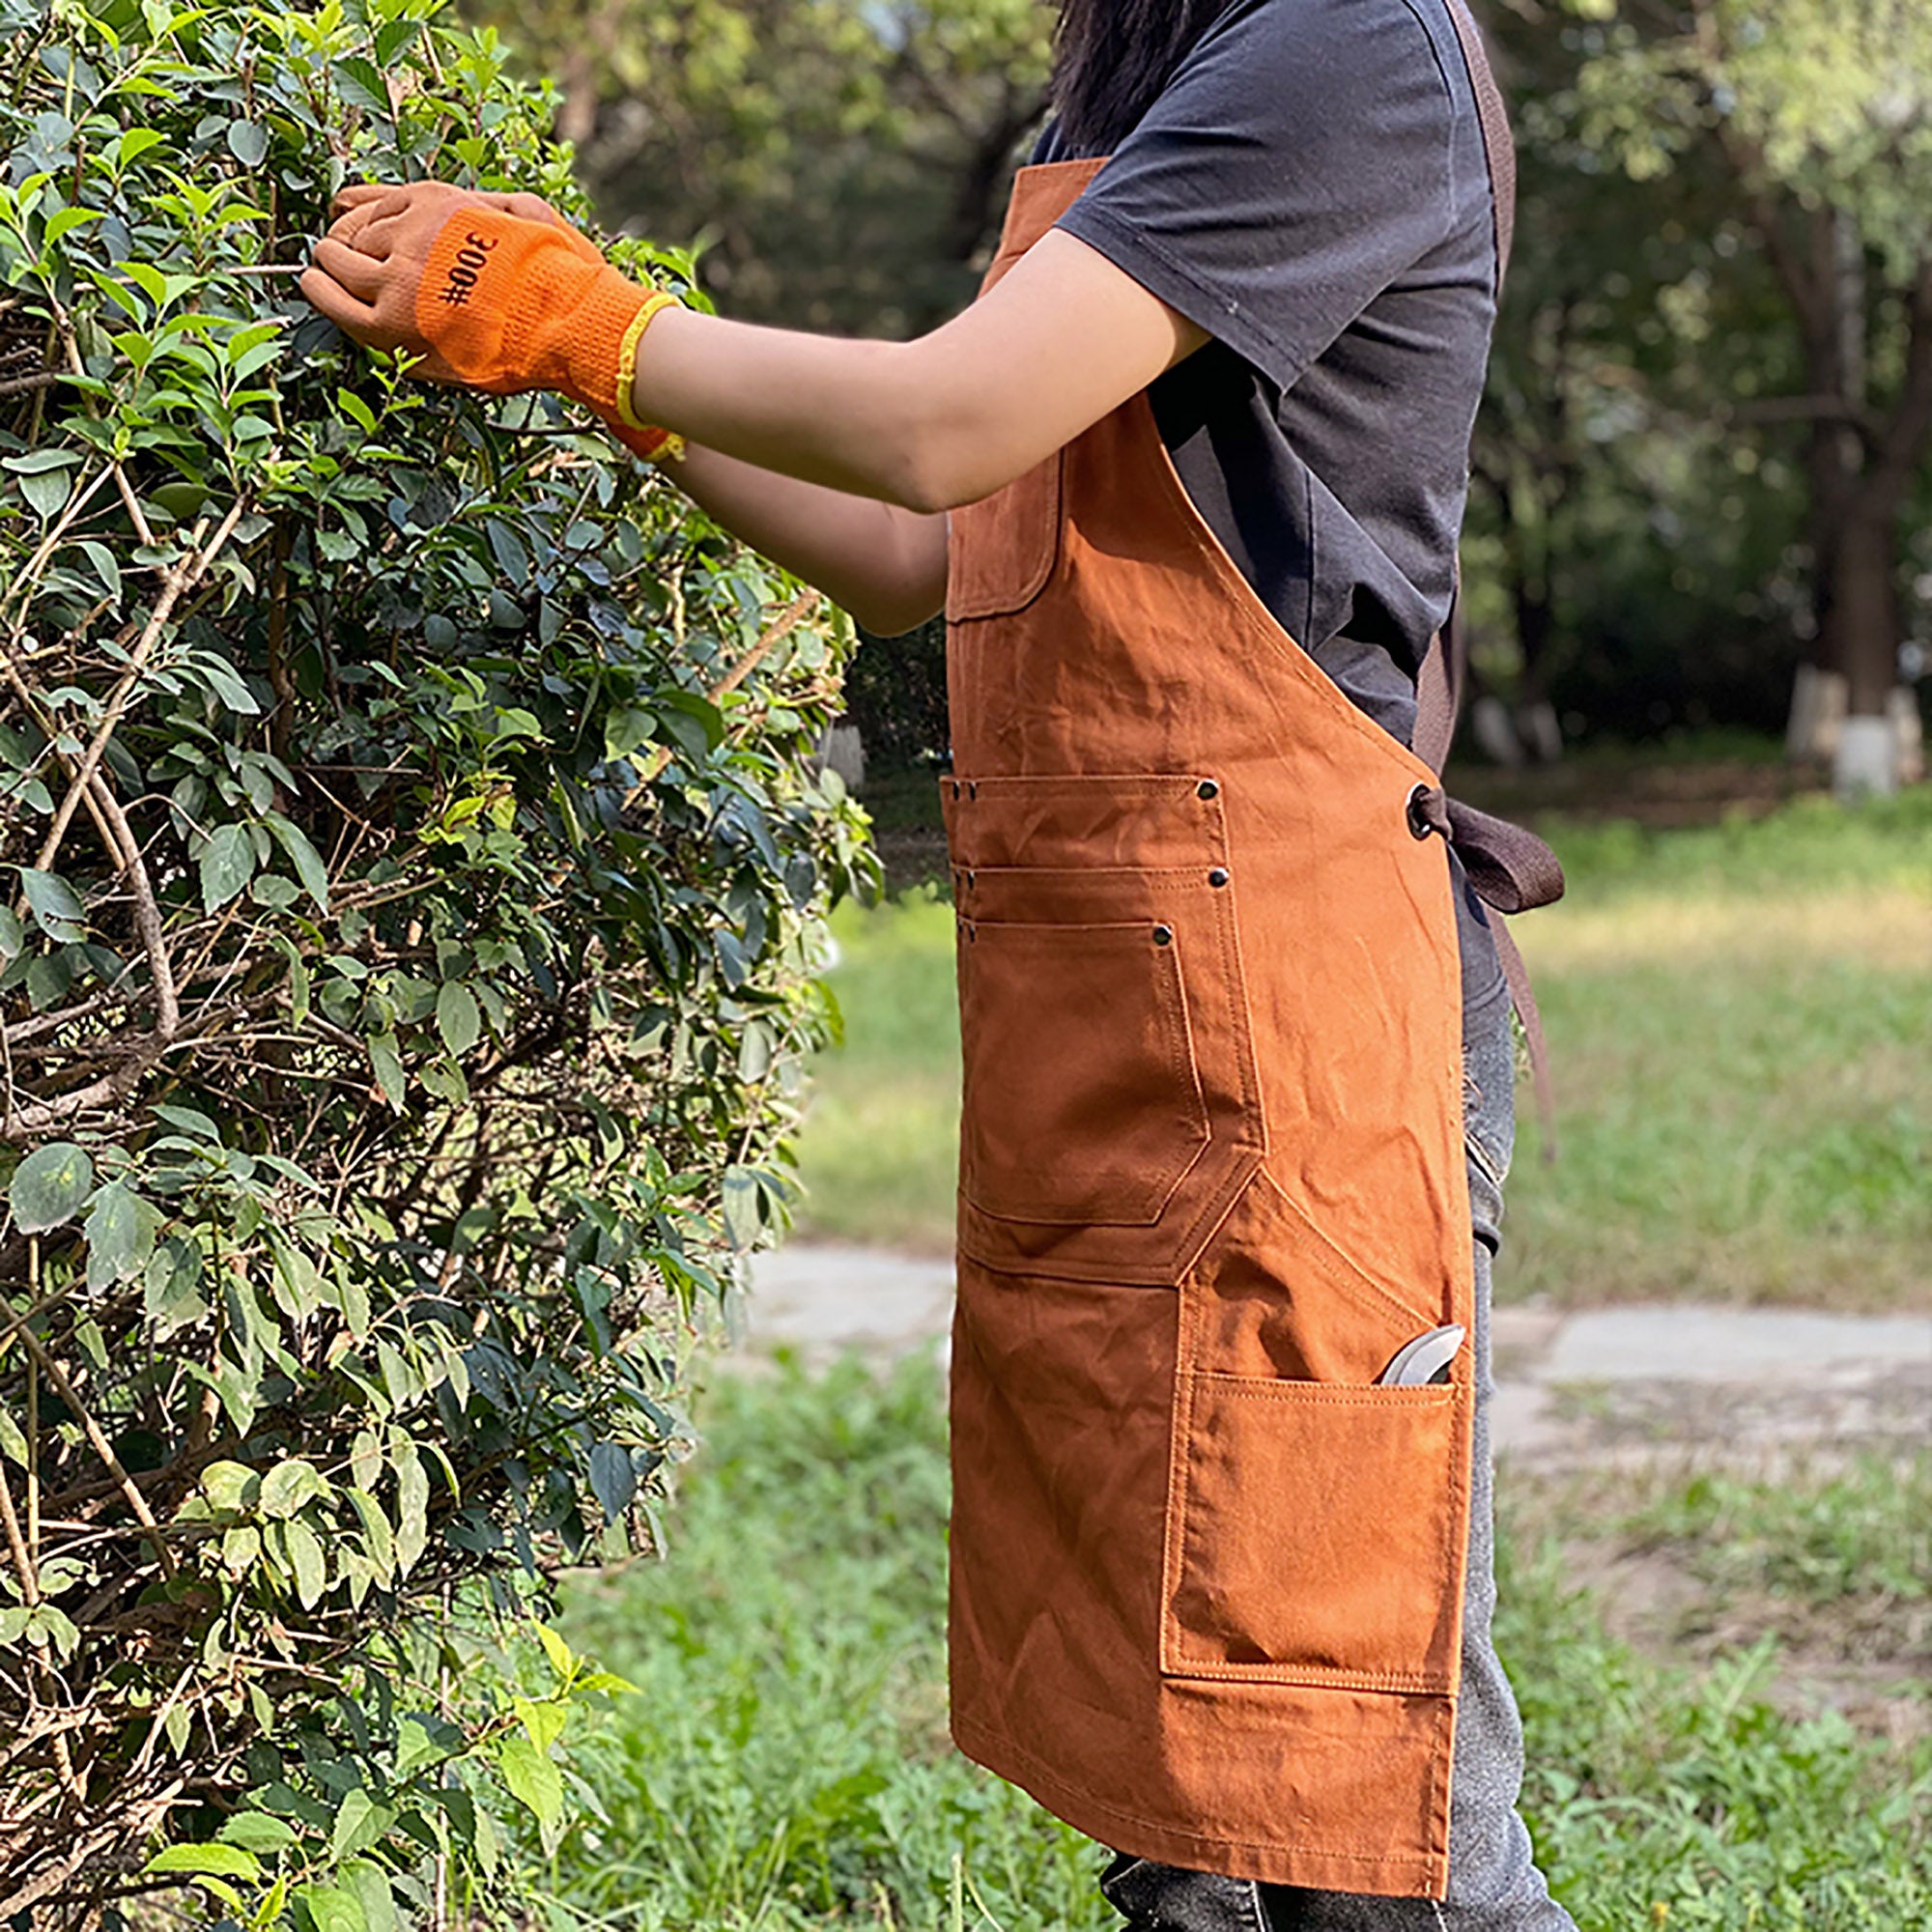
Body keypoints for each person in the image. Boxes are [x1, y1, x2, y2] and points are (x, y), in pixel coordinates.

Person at [301, 0, 1577, 1924]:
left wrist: (591, 313)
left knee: (1353, 1796)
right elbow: (927, 544)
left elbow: (937, 420)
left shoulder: (1347, 45)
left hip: (1305, 1029)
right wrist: (601, 370)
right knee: (1179, 1806)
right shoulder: (1151, 76)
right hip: (1123, 1006)